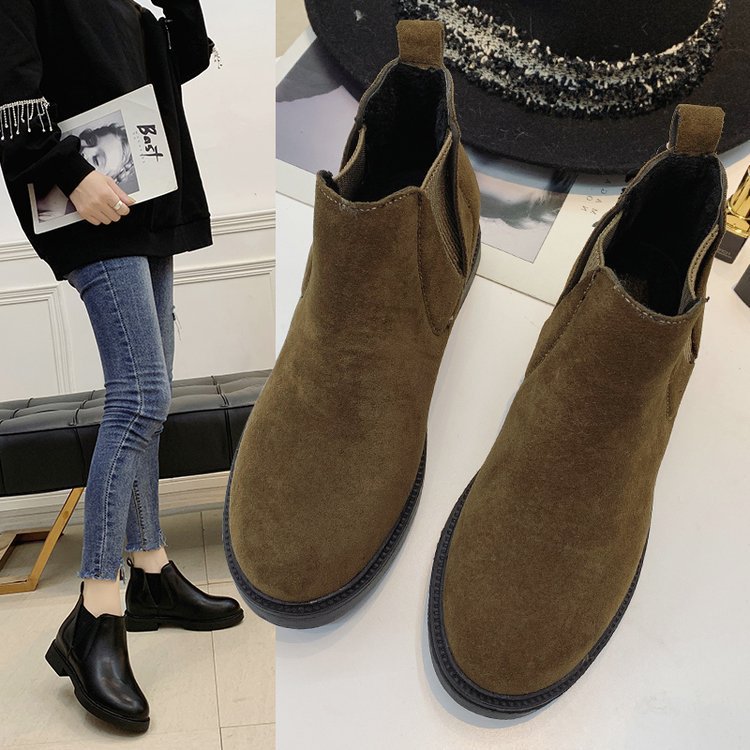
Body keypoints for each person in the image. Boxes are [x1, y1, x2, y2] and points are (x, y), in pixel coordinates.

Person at [0, 0, 242, 734]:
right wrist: (70, 173)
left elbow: (184, 56)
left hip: (147, 201)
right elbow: (9, 88)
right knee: (140, 397)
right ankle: (95, 611)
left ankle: (152, 572)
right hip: (89, 205)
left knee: (149, 397)